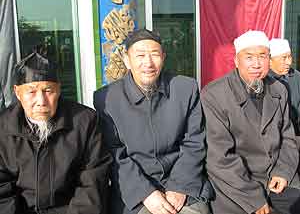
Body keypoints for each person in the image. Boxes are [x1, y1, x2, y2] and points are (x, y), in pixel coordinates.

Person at [93, 29, 213, 214]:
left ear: (163, 57)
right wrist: (146, 193)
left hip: (183, 182)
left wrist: (180, 186)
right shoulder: (107, 99)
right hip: (137, 189)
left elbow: (194, 142)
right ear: (127, 60)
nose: (148, 63)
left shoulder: (185, 88)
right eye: (140, 55)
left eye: (154, 54)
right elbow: (116, 154)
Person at [201, 30, 300, 214]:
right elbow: (219, 159)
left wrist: (283, 171)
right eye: (249, 57)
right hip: (237, 185)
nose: (256, 64)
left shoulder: (279, 89)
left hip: (276, 178)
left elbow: (287, 137)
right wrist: (253, 198)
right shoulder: (214, 95)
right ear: (236, 61)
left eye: (262, 56)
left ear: (269, 60)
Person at [0, 52, 112, 214]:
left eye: (48, 91)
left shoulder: (84, 121)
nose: (41, 101)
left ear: (58, 90)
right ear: (17, 93)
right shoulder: (3, 127)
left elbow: (93, 180)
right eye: (31, 92)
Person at [268, 38, 300, 136]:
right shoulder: (263, 80)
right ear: (270, 60)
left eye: (289, 57)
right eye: (284, 58)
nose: (289, 62)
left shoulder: (296, 76)